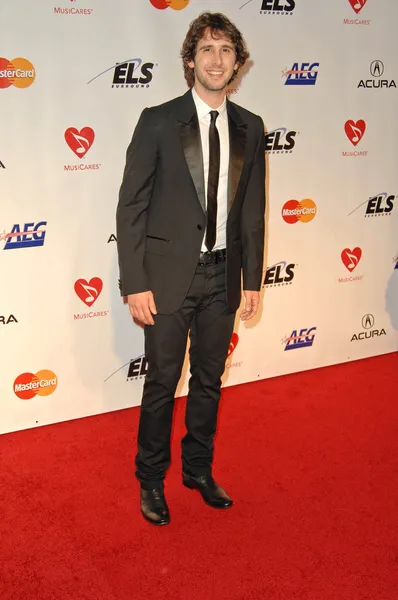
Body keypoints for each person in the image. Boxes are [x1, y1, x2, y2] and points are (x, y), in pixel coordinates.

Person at [116, 11, 265, 526]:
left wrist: (252, 279)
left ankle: (197, 469)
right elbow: (130, 204)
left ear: (237, 62)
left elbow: (252, 210)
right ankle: (151, 480)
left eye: (226, 50)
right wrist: (134, 281)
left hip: (224, 277)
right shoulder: (158, 120)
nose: (216, 59)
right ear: (190, 60)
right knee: (161, 383)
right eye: (206, 49)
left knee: (208, 380)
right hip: (167, 280)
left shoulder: (251, 126)